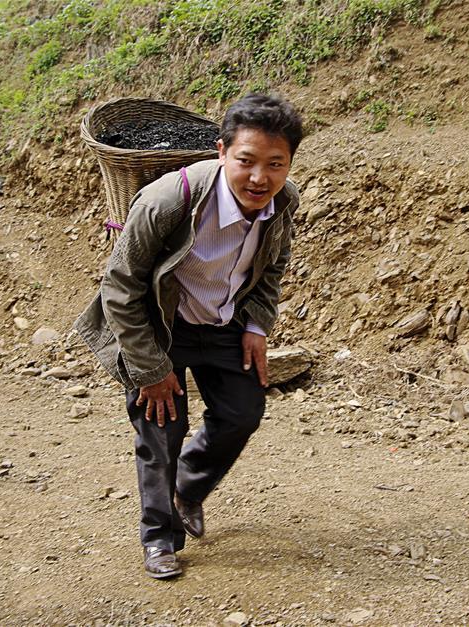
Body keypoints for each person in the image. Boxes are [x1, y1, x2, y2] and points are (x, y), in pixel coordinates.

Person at [75, 93, 303, 579]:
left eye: (275, 164)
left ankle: (187, 489)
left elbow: (272, 266)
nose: (259, 178)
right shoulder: (166, 201)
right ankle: (159, 538)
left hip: (224, 321)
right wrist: (150, 369)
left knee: (242, 412)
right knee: (161, 428)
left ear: (288, 164)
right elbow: (120, 288)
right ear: (221, 151)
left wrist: (257, 325)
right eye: (246, 161)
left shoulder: (284, 201)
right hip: (160, 323)